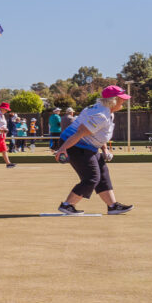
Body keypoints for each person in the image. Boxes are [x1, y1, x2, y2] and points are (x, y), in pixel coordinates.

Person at [53, 86, 134, 215]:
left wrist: (105, 149)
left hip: (88, 145)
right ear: (113, 100)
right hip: (75, 145)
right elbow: (80, 133)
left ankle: (112, 206)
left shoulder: (107, 112)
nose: (124, 101)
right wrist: (63, 149)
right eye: (121, 99)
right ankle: (67, 205)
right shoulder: (101, 116)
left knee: (103, 172)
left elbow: (100, 134)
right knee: (91, 177)